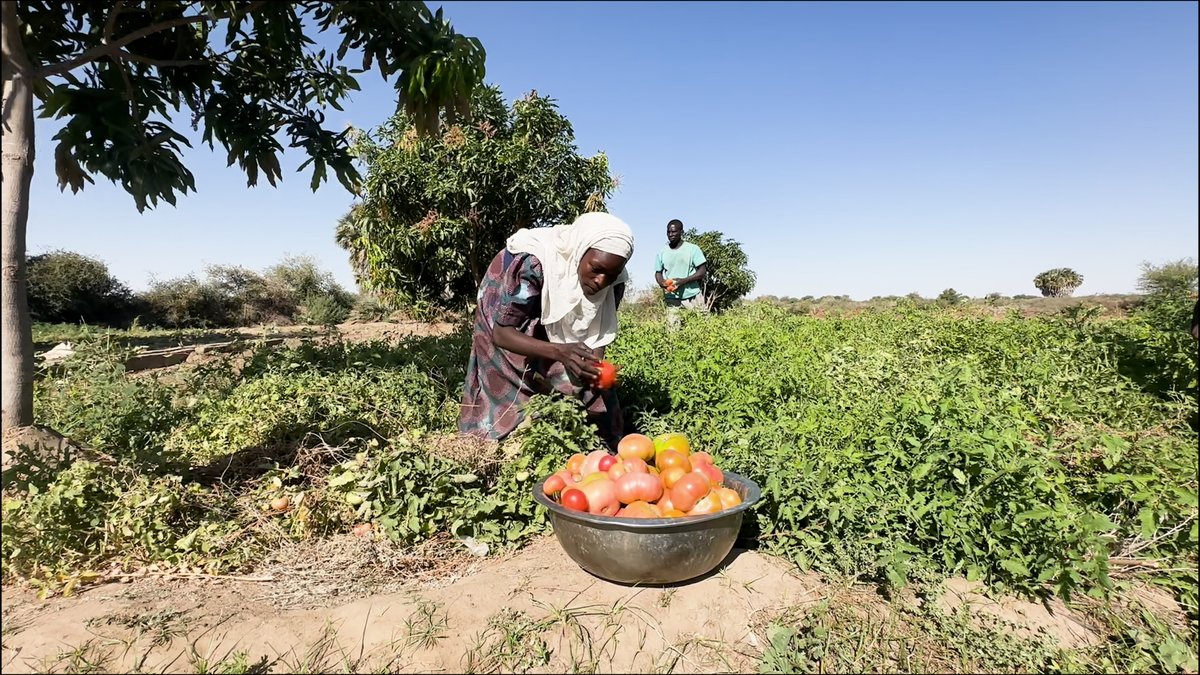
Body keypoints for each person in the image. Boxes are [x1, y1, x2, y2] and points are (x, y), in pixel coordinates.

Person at [458, 212, 634, 449]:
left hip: (542, 298)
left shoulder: (614, 281)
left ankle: (607, 446)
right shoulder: (533, 263)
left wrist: (595, 367)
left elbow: (597, 332)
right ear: (579, 253)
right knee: (507, 365)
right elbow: (502, 334)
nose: (601, 281)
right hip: (506, 300)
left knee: (585, 380)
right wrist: (559, 351)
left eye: (610, 276)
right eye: (596, 269)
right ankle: (491, 435)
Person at [655, 219, 708, 326]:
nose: (671, 234)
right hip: (672, 298)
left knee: (701, 327)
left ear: (681, 232)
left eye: (674, 232)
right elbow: (658, 272)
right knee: (672, 330)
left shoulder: (693, 249)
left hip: (693, 296)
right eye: (668, 232)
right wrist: (662, 283)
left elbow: (702, 271)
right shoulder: (662, 252)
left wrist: (683, 281)